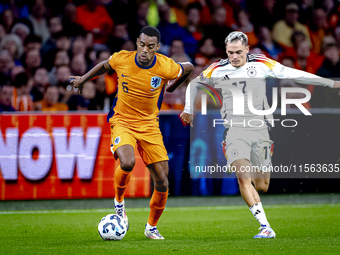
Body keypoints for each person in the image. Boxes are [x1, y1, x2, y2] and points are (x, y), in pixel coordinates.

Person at [180, 31, 340, 239]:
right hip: (234, 130)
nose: (234, 57)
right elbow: (194, 84)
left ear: (247, 49)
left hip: (260, 130)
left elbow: (295, 74)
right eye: (230, 53)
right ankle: (265, 227)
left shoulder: (262, 64)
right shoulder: (218, 68)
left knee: (262, 186)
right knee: (243, 178)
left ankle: (261, 204)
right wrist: (188, 109)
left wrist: (332, 83)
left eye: (238, 52)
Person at [71, 26, 194, 239]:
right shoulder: (123, 59)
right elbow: (104, 65)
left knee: (163, 181)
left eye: (150, 46)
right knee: (127, 162)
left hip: (149, 125)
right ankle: (119, 203)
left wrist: (173, 87)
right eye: (142, 44)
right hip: (123, 121)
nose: (145, 50)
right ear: (137, 42)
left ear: (157, 47)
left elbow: (190, 68)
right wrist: (83, 78)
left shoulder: (166, 66)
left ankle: (151, 228)